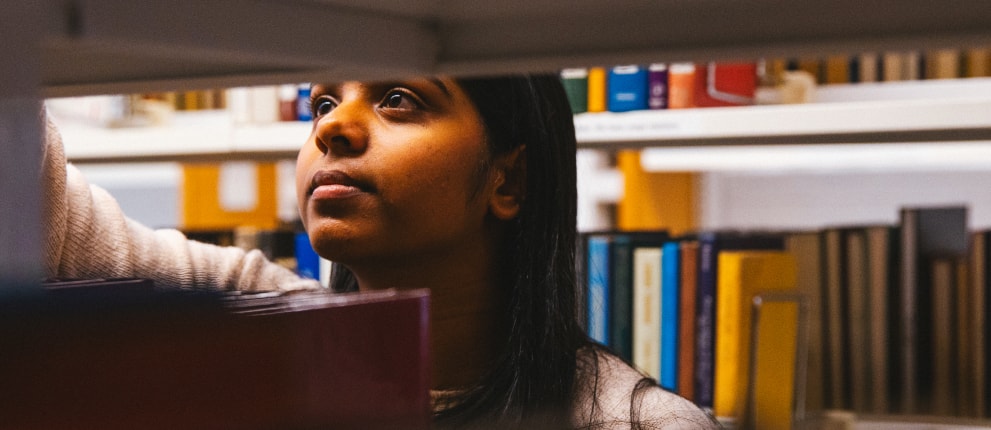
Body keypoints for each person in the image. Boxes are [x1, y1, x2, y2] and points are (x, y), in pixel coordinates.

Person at [41, 74, 720, 429]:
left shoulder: (634, 424)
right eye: (323, 103)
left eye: (398, 100)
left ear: (506, 179)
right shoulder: (272, 325)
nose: (333, 125)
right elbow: (45, 209)